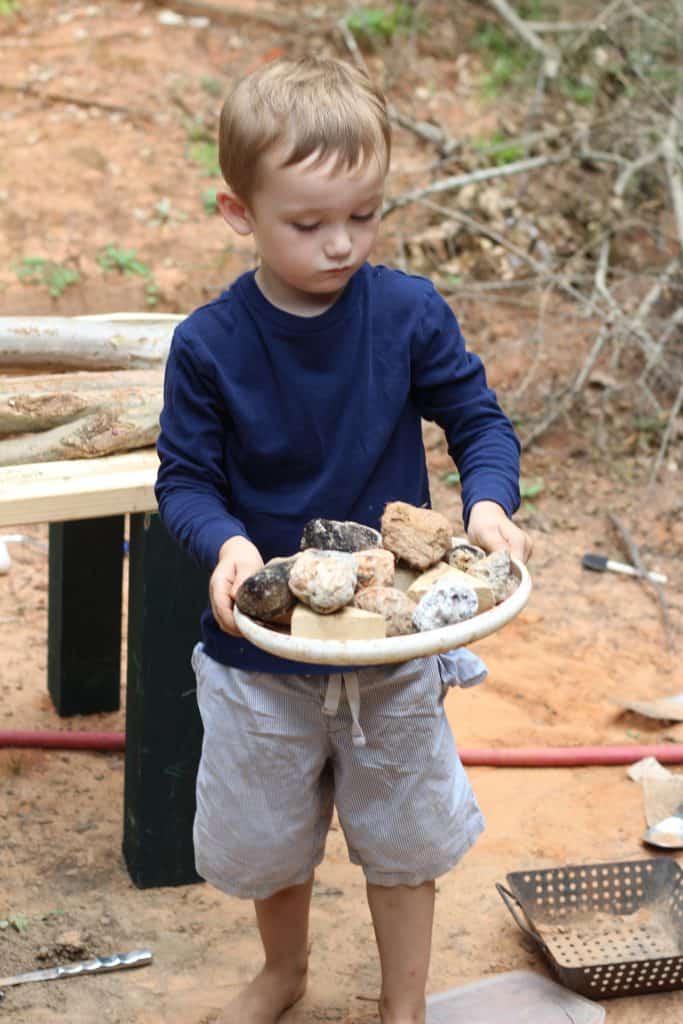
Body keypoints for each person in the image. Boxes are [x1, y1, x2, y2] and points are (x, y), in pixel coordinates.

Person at [155, 55, 532, 1024]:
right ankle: (283, 973)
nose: (340, 245)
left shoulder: (405, 313)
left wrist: (486, 502)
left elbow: (478, 422)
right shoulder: (208, 344)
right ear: (237, 211)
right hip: (260, 651)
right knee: (268, 837)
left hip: (391, 640)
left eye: (363, 215)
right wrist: (228, 547)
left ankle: (402, 1003)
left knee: (403, 833)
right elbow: (187, 481)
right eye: (308, 222)